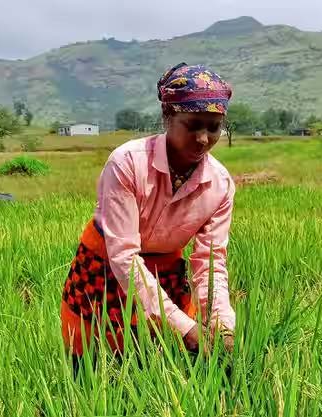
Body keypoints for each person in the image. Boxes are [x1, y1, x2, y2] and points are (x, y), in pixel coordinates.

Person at [60, 63, 237, 369]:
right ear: (167, 116)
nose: (203, 139)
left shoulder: (220, 184)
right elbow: (124, 256)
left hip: (166, 272)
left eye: (213, 127)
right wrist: (184, 326)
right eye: (193, 125)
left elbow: (210, 263)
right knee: (92, 363)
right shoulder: (127, 163)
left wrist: (222, 324)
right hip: (105, 268)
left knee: (163, 364)